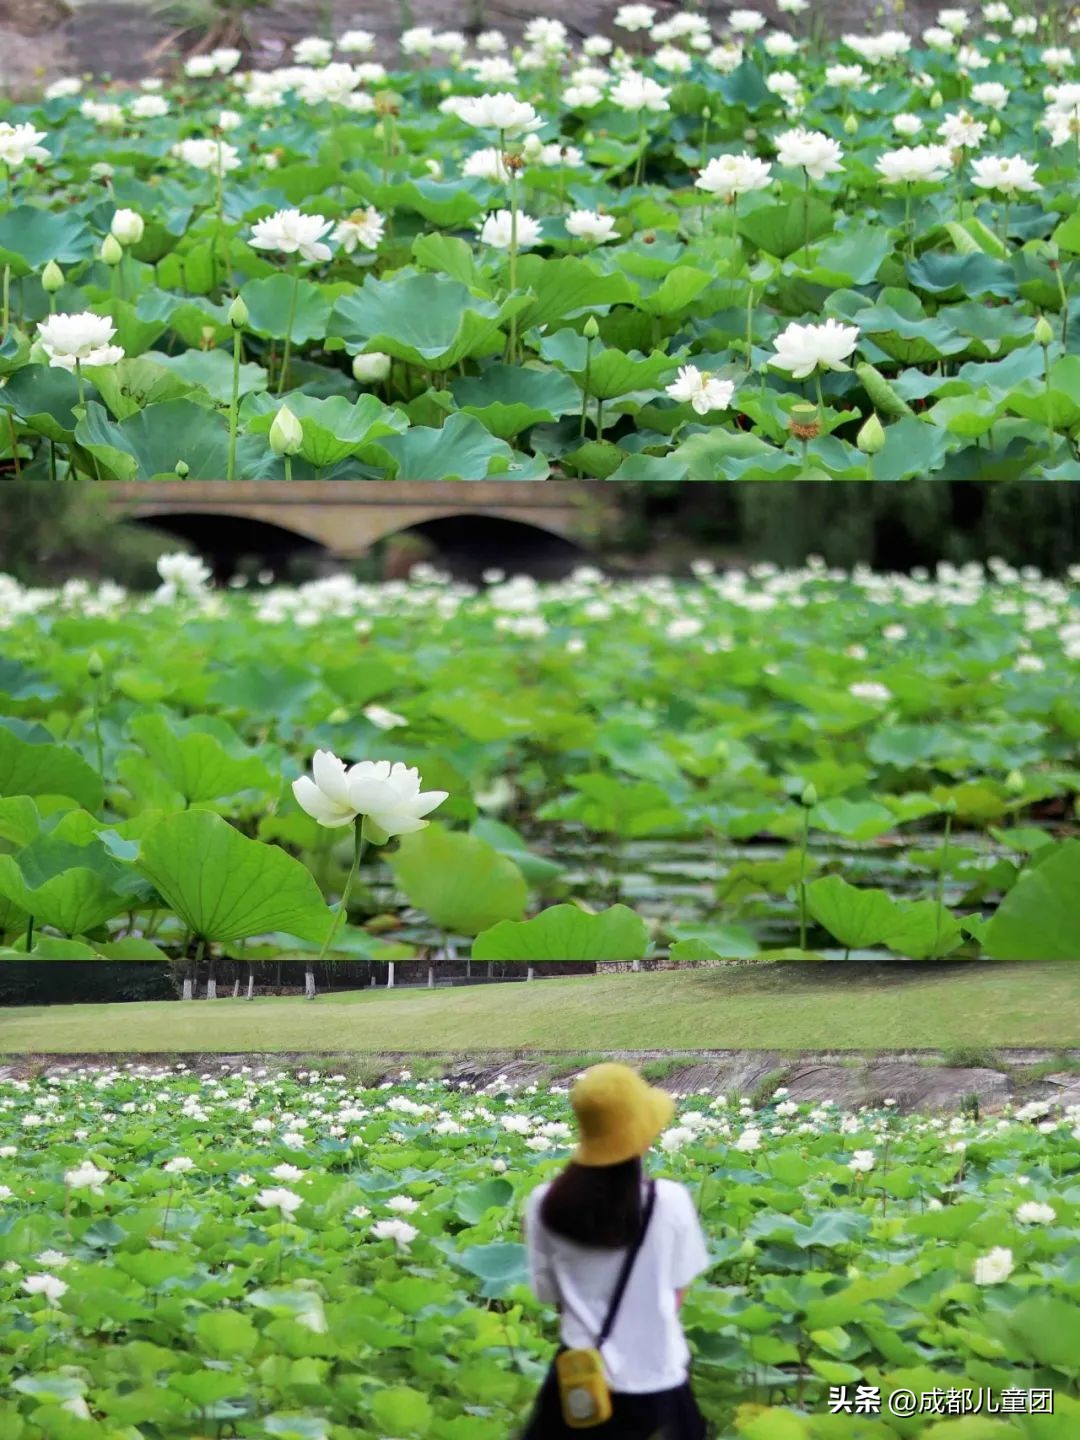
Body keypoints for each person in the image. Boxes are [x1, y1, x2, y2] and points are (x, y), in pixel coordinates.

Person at [521, 1063, 710, 1439]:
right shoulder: (669, 1201)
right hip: (658, 1380)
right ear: (643, 1137)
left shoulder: (545, 1203)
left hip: (579, 1384)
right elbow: (678, 1292)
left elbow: (551, 1297)